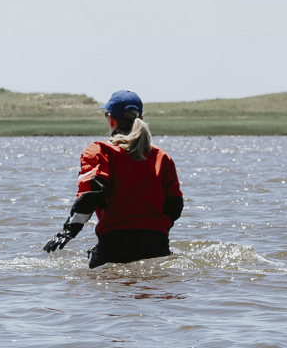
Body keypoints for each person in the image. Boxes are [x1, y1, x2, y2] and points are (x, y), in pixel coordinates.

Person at [43, 90, 183, 268]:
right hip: (157, 244)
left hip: (114, 244)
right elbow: (175, 206)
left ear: (110, 119)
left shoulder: (100, 152)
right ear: (141, 118)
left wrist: (67, 232)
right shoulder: (162, 158)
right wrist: (157, 230)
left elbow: (90, 196)